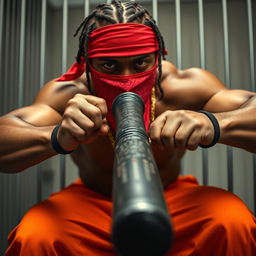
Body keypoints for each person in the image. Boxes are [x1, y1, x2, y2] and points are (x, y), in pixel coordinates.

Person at [2, 0, 256, 255]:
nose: (127, 80)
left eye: (140, 63)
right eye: (109, 65)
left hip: (171, 198)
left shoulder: (185, 86)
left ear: (158, 56)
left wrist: (213, 123)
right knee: (36, 234)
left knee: (232, 221)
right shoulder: (68, 94)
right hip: (93, 204)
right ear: (88, 62)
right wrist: (56, 135)